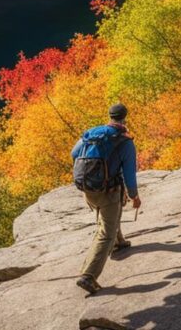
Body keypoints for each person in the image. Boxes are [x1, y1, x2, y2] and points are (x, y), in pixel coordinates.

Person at [72, 103, 140, 295]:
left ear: (110, 116)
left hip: (88, 189)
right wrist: (134, 195)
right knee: (105, 232)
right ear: (125, 117)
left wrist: (89, 174)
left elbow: (74, 153)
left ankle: (118, 242)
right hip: (108, 190)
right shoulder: (124, 141)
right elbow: (129, 174)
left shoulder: (91, 134)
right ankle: (88, 275)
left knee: (108, 215)